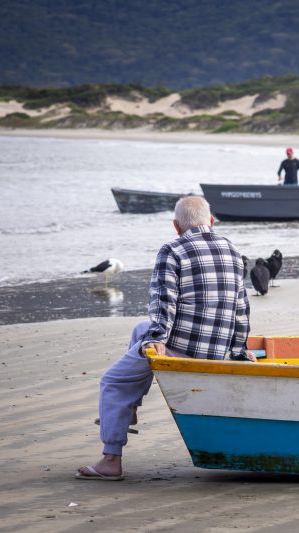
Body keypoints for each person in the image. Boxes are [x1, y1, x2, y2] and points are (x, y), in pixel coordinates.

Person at [76, 196, 253, 481]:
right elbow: (241, 308)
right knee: (139, 330)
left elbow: (164, 302)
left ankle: (111, 459)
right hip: (218, 350)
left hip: (183, 351)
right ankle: (130, 409)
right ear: (211, 221)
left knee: (113, 381)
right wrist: (239, 350)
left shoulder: (172, 250)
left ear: (176, 225)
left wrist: (157, 338)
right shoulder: (231, 249)